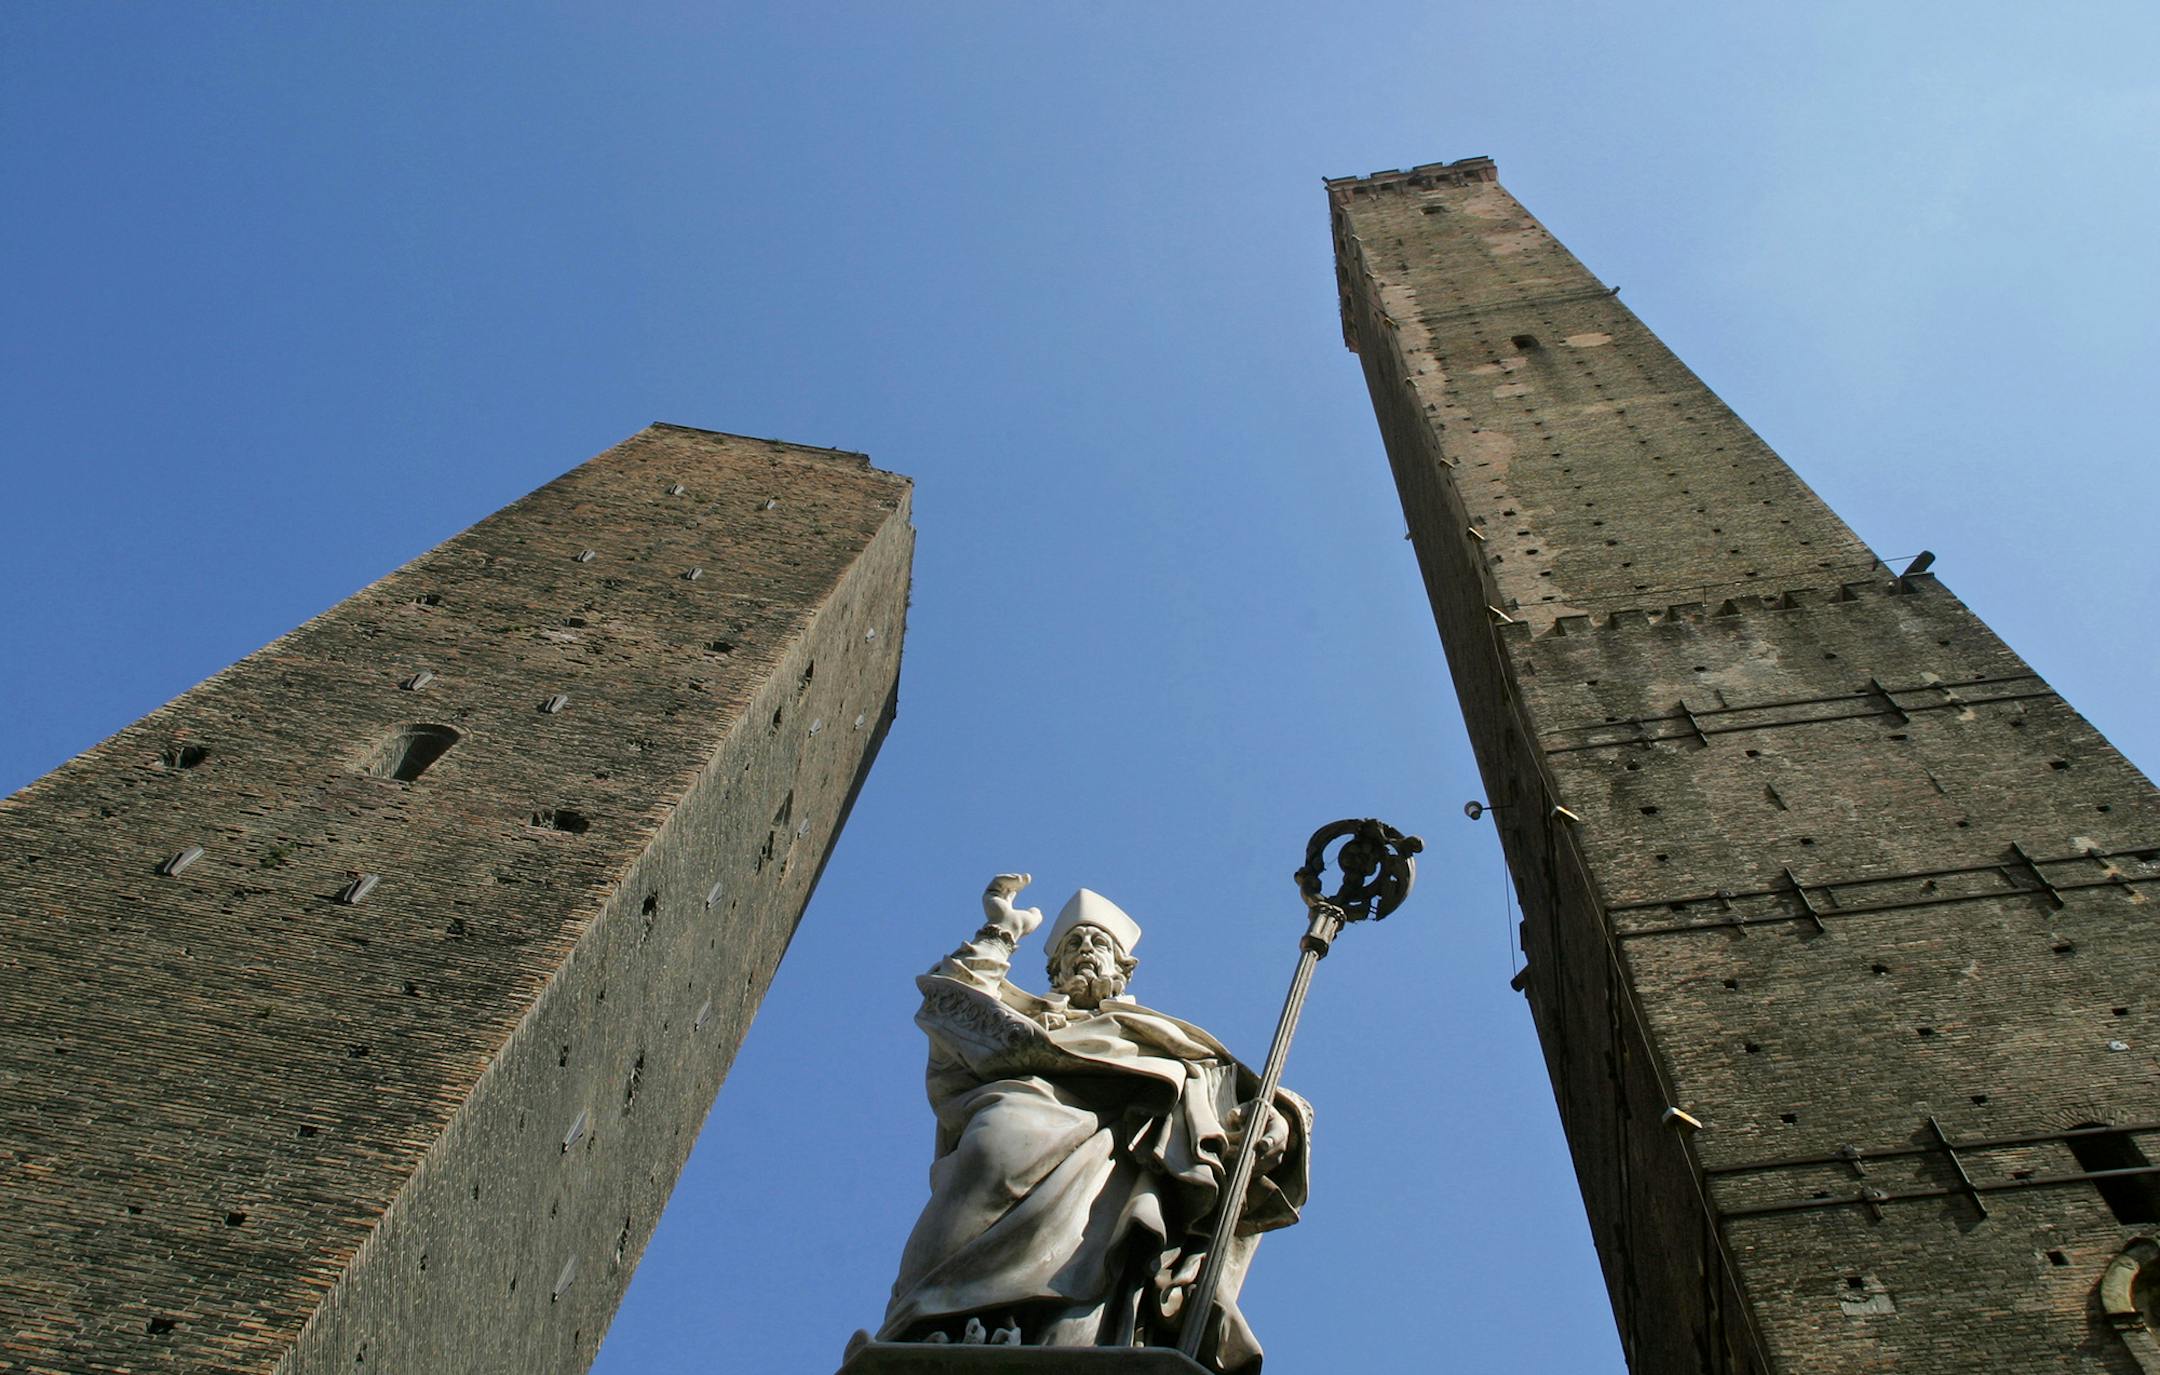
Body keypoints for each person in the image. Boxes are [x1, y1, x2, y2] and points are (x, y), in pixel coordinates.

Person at [875, 874, 1310, 1371]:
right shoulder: (1027, 1016)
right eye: (1072, 944)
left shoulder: (1163, 1037)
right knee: (986, 1159)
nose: (1085, 948)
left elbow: (1233, 1092)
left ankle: (1068, 1340)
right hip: (1022, 1106)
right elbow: (950, 1002)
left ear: (1124, 966)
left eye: (1098, 942)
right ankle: (931, 1322)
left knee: (1101, 1256)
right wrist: (1000, 933)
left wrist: (1279, 1118)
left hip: (1118, 1151)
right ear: (1054, 967)